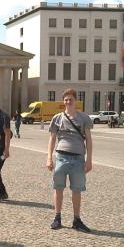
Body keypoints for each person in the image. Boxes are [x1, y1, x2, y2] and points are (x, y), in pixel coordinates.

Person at [47, 88, 93, 232]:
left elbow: (89, 140)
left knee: (76, 190)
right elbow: (52, 139)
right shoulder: (57, 118)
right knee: (58, 188)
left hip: (78, 158)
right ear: (63, 101)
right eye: (66, 99)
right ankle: (57, 217)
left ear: (75, 100)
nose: (68, 102)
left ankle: (77, 219)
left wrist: (89, 159)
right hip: (61, 156)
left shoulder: (84, 118)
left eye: (70, 99)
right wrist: (49, 157)